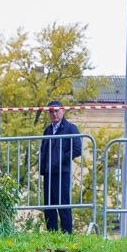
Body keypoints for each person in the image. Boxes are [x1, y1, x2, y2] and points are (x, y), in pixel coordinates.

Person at [39, 99, 83, 234]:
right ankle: (52, 234)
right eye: (51, 112)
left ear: (62, 111)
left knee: (63, 205)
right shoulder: (47, 130)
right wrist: (43, 168)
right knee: (49, 206)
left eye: (56, 111)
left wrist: (61, 159)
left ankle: (67, 235)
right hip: (48, 172)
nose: (54, 114)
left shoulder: (70, 128)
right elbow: (43, 150)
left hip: (62, 172)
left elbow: (77, 148)